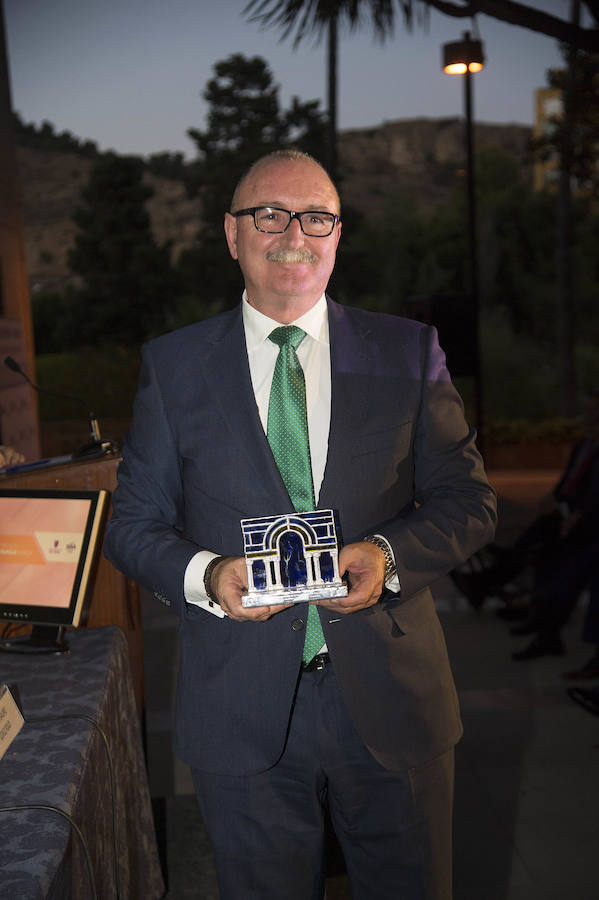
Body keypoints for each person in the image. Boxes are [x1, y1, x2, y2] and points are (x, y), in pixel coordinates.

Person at [105, 150, 496, 900]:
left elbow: (468, 501)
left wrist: (386, 554)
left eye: (315, 216)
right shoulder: (173, 366)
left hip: (391, 700)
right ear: (231, 233)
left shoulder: (406, 353)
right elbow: (135, 524)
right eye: (269, 214)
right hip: (238, 708)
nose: (294, 234)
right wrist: (209, 577)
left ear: (337, 232)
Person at [451, 390, 599, 614]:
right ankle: (500, 579)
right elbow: (568, 481)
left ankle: (493, 580)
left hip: (582, 516)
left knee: (539, 545)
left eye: (593, 410)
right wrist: (553, 499)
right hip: (564, 510)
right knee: (536, 539)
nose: (588, 415)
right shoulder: (583, 445)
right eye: (588, 410)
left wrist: (576, 512)